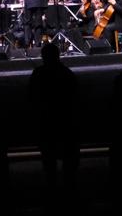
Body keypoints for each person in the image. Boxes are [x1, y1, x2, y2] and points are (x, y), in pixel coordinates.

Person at [28, 42, 80, 189]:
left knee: (50, 162)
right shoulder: (67, 73)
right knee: (67, 163)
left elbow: (31, 98)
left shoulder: (38, 74)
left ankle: (54, 189)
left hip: (47, 122)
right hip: (64, 122)